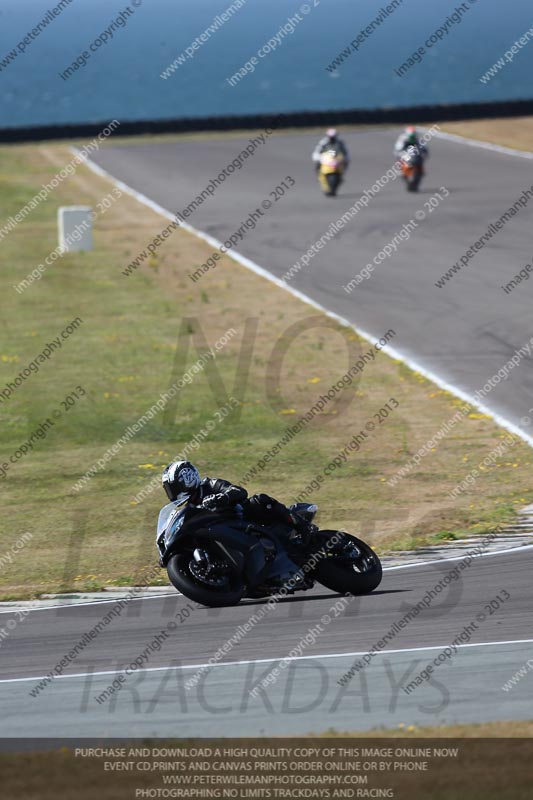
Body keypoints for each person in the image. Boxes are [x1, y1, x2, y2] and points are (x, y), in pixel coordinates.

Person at [161, 460, 316, 543]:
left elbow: (239, 491)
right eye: (169, 489)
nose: (171, 493)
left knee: (260, 500)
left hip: (243, 518)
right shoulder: (189, 509)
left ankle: (302, 526)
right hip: (224, 534)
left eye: (172, 487)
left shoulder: (209, 484)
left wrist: (222, 497)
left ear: (186, 479)